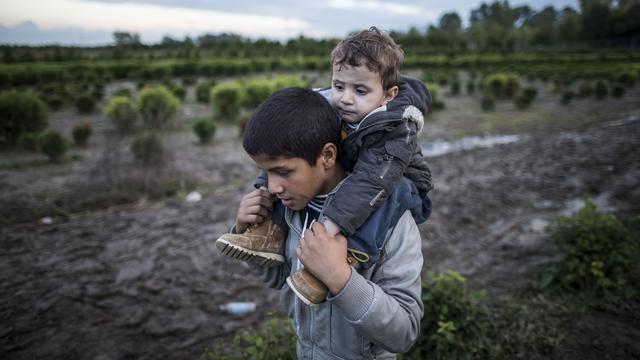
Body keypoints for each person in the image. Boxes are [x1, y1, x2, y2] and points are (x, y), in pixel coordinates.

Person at [217, 26, 432, 306]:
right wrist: (262, 198)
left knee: (390, 195)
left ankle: (348, 255)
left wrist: (331, 227)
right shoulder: (340, 107)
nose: (345, 98)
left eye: (360, 90)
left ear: (388, 95)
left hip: (396, 184)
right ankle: (267, 234)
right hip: (361, 178)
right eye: (339, 86)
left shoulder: (395, 130)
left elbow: (371, 181)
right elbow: (286, 144)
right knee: (293, 158)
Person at [223, 87, 424, 358]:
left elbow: (404, 333)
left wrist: (340, 279)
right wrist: (248, 229)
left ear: (327, 156)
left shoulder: (389, 220)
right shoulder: (293, 208)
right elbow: (279, 278)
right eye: (266, 172)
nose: (272, 187)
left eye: (283, 172)